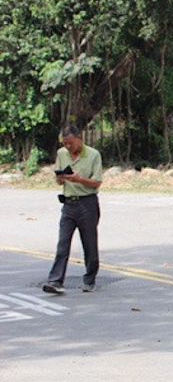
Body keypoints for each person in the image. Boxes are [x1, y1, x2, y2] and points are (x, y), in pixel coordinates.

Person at [42, 125, 103, 295]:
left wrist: (79, 179)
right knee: (63, 243)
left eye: (70, 143)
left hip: (87, 204)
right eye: (65, 143)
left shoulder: (93, 155)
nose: (68, 147)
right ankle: (55, 280)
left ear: (79, 138)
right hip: (68, 204)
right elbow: (59, 181)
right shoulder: (62, 154)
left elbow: (97, 182)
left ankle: (89, 279)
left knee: (89, 243)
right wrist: (61, 178)